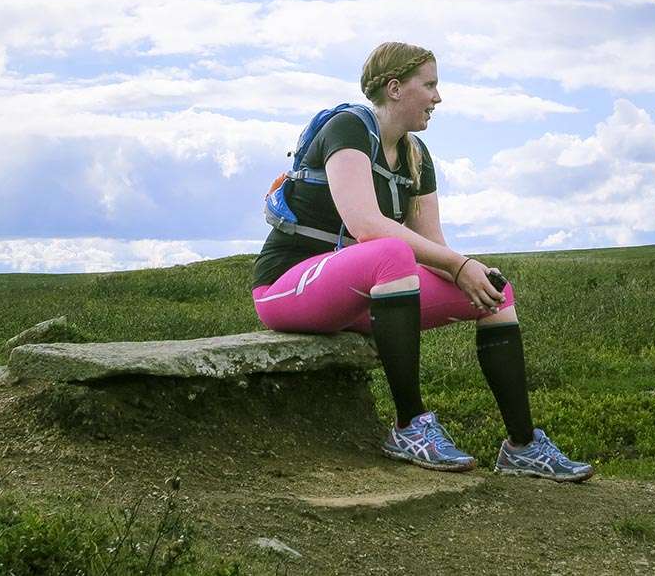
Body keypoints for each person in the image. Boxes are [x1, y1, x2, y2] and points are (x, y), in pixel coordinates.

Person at [250, 42, 593, 482]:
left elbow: (431, 245)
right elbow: (367, 225)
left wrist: (465, 269)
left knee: (494, 287)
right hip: (287, 287)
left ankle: (522, 446)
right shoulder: (348, 129)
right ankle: (410, 426)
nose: (437, 97)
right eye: (429, 85)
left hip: (355, 295)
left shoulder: (416, 155)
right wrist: (457, 262)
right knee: (390, 252)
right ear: (395, 88)